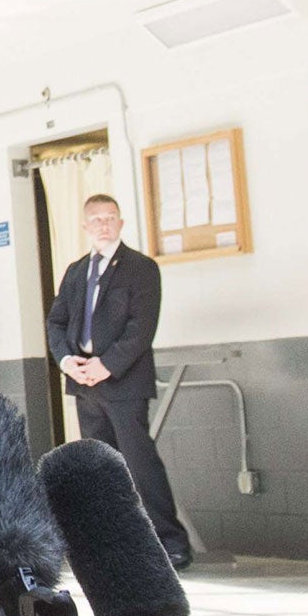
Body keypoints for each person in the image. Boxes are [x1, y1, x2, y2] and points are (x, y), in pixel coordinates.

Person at [46, 193, 190, 567]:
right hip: (84, 382)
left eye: (110, 218)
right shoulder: (77, 272)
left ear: (121, 223)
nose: (103, 224)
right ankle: (110, 544)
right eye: (96, 219)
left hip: (123, 381)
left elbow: (142, 328)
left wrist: (106, 365)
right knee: (98, 468)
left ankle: (170, 542)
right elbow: (56, 321)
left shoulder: (141, 268)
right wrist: (66, 361)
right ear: (85, 226)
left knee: (139, 462)